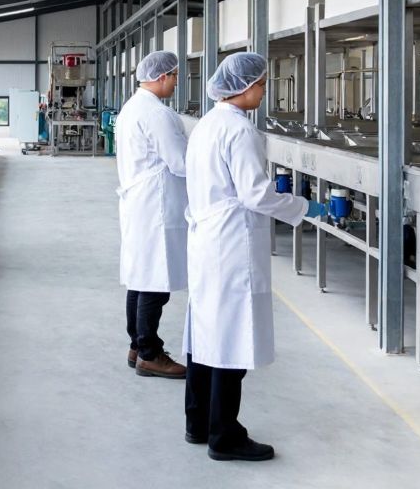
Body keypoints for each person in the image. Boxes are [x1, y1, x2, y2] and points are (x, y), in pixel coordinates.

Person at [182, 53, 325, 462]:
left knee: (206, 333)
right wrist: (302, 207)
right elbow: (256, 194)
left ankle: (197, 422)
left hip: (209, 239)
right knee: (230, 339)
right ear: (244, 87)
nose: (264, 90)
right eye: (262, 84)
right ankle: (225, 436)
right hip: (231, 244)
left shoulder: (208, 125)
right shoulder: (240, 131)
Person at [114, 50, 189, 379]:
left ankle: (136, 344)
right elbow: (180, 162)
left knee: (140, 276)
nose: (175, 82)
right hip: (155, 204)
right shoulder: (157, 114)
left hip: (140, 202)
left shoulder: (132, 108)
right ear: (162, 77)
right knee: (155, 282)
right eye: (174, 76)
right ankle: (149, 352)